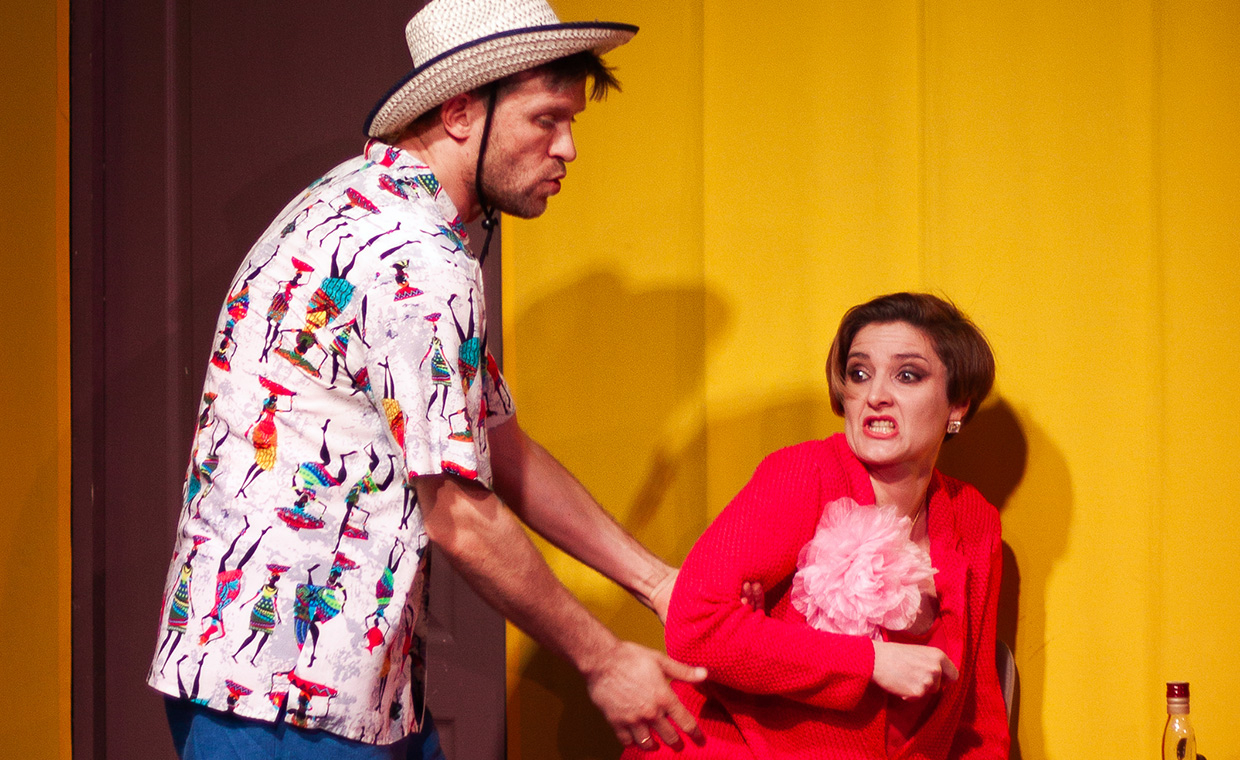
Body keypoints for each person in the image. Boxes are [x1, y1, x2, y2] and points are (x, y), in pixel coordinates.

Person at [148, 0, 707, 757]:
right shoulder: (416, 257)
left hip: (332, 686)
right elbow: (460, 517)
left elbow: (496, 443)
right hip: (284, 700)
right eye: (546, 120)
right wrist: (603, 661)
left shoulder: (355, 198)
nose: (569, 148)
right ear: (459, 113)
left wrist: (657, 583)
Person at [627, 292, 1009, 758]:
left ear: (958, 405)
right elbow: (694, 624)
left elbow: (977, 714)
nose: (875, 395)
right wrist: (871, 662)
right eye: (859, 373)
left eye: (907, 375)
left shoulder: (974, 519)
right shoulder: (805, 473)